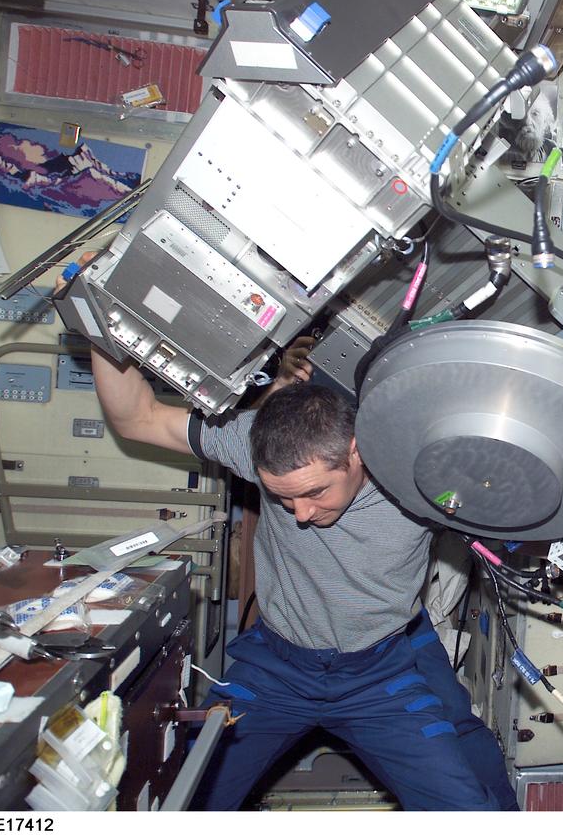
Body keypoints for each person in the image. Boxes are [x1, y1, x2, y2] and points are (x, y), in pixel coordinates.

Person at [77, 287, 516, 809]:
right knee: (182, 797)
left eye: (314, 493)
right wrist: (93, 313)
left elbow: (525, 510)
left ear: (357, 452)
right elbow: (138, 417)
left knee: (467, 810)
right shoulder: (252, 439)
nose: (301, 515)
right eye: (283, 498)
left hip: (379, 676)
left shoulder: (419, 478)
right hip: (275, 668)